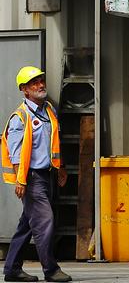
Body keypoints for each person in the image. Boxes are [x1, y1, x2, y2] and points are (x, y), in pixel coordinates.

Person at [1, 67, 72, 283]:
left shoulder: (49, 110)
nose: (40, 85)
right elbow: (15, 155)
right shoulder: (19, 117)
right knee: (44, 222)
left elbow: (53, 144)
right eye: (34, 83)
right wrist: (20, 180)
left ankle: (12, 269)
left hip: (47, 175)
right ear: (24, 90)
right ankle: (51, 270)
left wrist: (61, 168)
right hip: (31, 179)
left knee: (28, 224)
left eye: (41, 81)